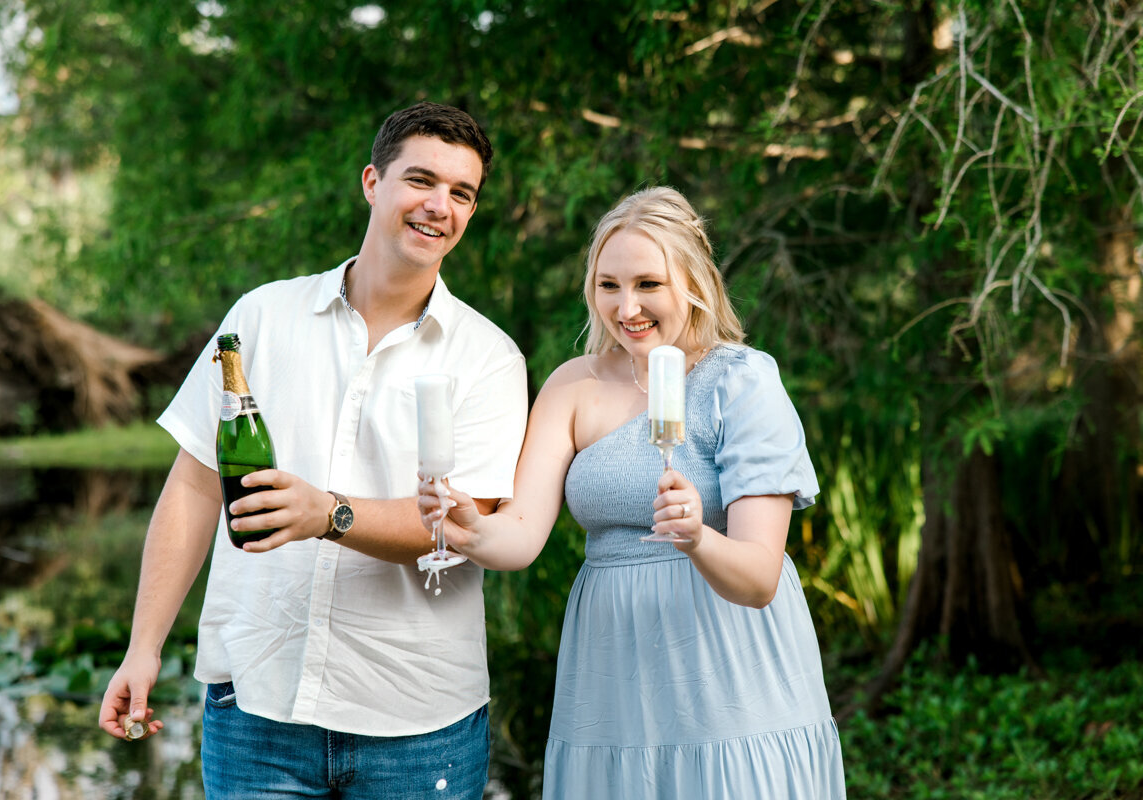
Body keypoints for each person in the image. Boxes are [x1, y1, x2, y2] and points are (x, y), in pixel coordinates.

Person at [98, 102, 529, 799]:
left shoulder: (488, 359)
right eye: (421, 180)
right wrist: (143, 648)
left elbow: (459, 524)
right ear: (371, 182)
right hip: (257, 708)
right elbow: (195, 487)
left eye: (462, 193)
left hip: (417, 723)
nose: (439, 206)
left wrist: (328, 513)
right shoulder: (262, 317)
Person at [419, 186, 846, 798]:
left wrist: (697, 537)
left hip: (729, 672)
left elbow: (758, 578)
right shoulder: (573, 384)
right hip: (612, 669)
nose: (627, 308)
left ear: (693, 283)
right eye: (608, 285)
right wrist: (470, 526)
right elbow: (520, 536)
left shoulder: (742, 382)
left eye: (649, 284)